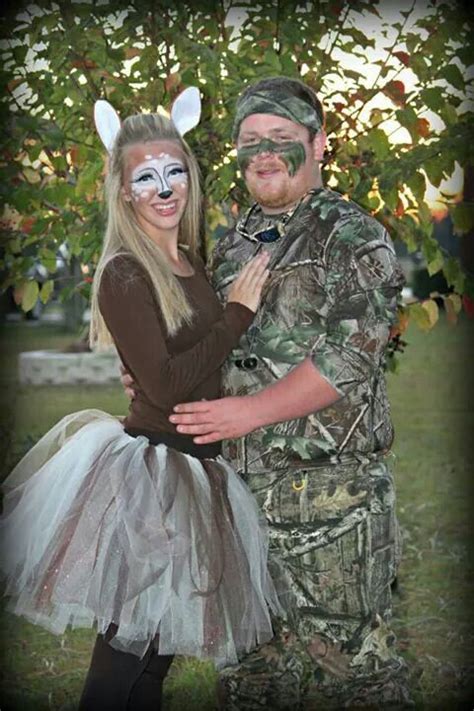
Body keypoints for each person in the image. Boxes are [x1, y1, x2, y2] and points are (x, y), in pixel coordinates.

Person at [0, 96, 284, 711]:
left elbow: (188, 361)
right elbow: (163, 386)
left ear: (191, 175)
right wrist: (238, 312)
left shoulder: (187, 258)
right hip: (152, 477)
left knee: (155, 660)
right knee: (124, 658)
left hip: (198, 469)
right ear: (124, 191)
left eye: (175, 171)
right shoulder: (124, 272)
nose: (164, 189)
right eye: (146, 177)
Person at [143, 76, 410, 708]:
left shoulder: (351, 235)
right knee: (252, 675)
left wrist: (248, 412)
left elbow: (352, 357)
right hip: (236, 496)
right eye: (250, 141)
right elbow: (215, 345)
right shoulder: (234, 242)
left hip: (329, 504)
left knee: (352, 677)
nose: (263, 152)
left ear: (319, 144)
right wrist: (158, 372)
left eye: (282, 138)